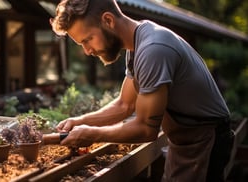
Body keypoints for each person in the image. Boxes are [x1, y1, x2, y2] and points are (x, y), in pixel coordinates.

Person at [50, 0, 234, 181]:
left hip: (205, 141)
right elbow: (124, 105)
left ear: (108, 20)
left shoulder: (153, 49)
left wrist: (92, 134)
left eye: (87, 39)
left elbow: (146, 129)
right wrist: (80, 121)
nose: (87, 51)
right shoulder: (136, 45)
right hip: (185, 140)